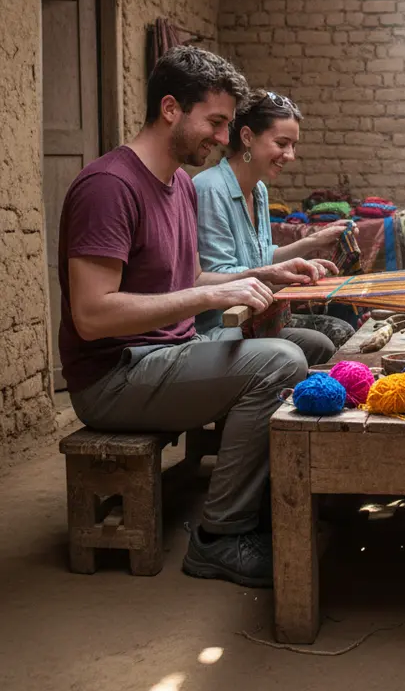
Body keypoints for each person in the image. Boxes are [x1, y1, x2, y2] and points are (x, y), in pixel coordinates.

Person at [59, 45, 333, 588]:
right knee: (277, 362)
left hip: (165, 354)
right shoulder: (109, 188)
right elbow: (91, 315)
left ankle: (261, 504)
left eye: (228, 124)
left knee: (306, 352)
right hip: (114, 375)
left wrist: (260, 276)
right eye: (215, 122)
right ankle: (220, 537)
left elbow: (183, 282)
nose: (223, 137)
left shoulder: (178, 184)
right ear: (169, 109)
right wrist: (208, 299)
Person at [194, 89, 355, 359]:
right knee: (322, 344)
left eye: (293, 145)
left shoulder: (258, 191)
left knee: (334, 338)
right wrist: (280, 275)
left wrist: (314, 242)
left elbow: (260, 258)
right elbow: (219, 276)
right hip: (223, 328)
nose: (290, 155)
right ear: (247, 137)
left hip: (257, 320)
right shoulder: (210, 189)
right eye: (282, 143)